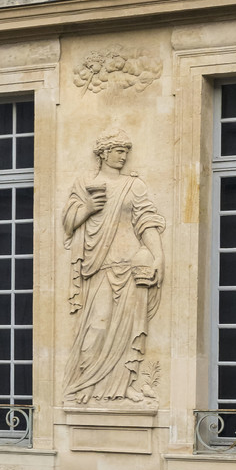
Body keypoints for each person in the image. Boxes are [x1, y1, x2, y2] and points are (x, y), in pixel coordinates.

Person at [62, 134, 163, 405]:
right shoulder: (86, 183)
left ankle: (124, 385)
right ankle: (88, 382)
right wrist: (87, 209)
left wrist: (158, 256)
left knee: (130, 328)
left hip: (131, 264)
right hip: (101, 265)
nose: (123, 156)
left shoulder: (135, 185)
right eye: (118, 151)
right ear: (104, 153)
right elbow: (68, 221)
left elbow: (146, 221)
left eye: (126, 151)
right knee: (98, 325)